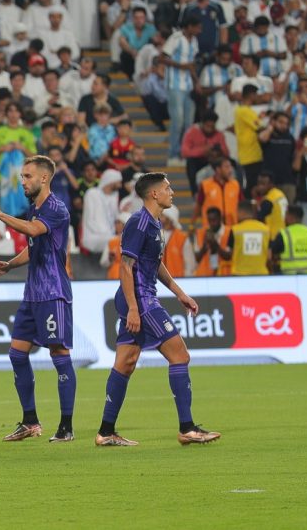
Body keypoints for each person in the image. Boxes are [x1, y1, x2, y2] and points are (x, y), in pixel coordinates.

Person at [95, 172, 221, 447]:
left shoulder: (154, 223)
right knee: (180, 355)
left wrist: (180, 293)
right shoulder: (139, 223)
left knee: (125, 363)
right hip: (140, 300)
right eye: (167, 188)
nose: (171, 192)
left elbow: (155, 264)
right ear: (154, 194)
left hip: (141, 297)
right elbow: (125, 267)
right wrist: (132, 308)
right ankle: (187, 428)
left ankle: (105, 432)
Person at [0, 155, 76, 443]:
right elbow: (34, 246)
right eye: (22, 176)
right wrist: (10, 264)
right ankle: (30, 422)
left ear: (44, 178)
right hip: (32, 294)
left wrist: (0, 215)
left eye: (27, 176)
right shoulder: (33, 208)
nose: (22, 181)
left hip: (53, 293)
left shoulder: (56, 208)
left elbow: (34, 230)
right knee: (16, 354)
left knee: (59, 354)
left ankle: (66, 427)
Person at [162, 15, 201, 167]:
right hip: (175, 84)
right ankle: (172, 153)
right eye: (197, 27)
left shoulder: (195, 41)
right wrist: (181, 66)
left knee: (189, 122)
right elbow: (163, 58)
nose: (199, 30)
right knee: (177, 120)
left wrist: (196, 82)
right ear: (189, 27)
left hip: (189, 85)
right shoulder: (176, 38)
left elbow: (191, 65)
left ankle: (185, 153)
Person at [192, 156, 242, 230]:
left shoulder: (235, 185)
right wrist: (192, 223)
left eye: (230, 166)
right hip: (211, 229)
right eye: (227, 167)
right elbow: (199, 205)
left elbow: (241, 205)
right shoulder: (206, 185)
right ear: (218, 169)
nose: (230, 170)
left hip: (232, 229)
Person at [271, 204, 307, 275]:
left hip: (289, 276)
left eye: (286, 215)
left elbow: (274, 254)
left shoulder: (284, 234)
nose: (284, 218)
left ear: (291, 217)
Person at [227, 200, 271, 275]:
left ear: (241, 212)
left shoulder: (235, 230)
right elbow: (269, 256)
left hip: (240, 274)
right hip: (261, 274)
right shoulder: (266, 229)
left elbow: (229, 254)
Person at [194, 207, 232, 277]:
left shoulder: (229, 232)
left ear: (220, 218)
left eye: (214, 220)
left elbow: (229, 256)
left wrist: (215, 244)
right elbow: (196, 258)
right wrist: (205, 247)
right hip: (205, 276)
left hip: (224, 275)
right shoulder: (200, 233)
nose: (211, 223)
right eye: (209, 220)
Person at [255, 171, 288, 239]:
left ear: (271, 184)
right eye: (258, 183)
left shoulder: (269, 200)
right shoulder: (280, 194)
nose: (260, 187)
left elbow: (258, 218)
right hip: (283, 233)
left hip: (273, 236)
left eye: (263, 184)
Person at [100, 212, 130, 280]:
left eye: (119, 223)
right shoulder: (112, 241)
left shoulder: (133, 240)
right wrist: (110, 258)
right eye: (116, 223)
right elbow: (103, 262)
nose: (116, 225)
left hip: (128, 275)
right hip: (113, 275)